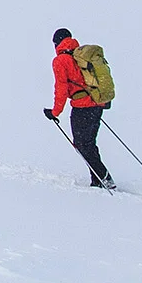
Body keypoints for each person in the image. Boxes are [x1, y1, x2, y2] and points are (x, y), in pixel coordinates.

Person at [45, 28, 115, 189]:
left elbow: (61, 89)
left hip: (82, 107)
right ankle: (97, 180)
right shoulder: (81, 55)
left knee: (81, 144)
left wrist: (55, 112)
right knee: (89, 143)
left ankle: (104, 178)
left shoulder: (60, 61)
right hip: (97, 105)